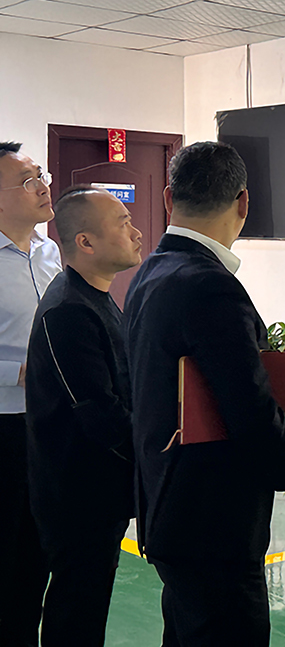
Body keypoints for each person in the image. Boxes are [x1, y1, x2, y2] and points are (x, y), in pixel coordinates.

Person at [123, 141, 285, 646]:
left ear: (169, 198)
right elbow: (250, 409)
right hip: (212, 525)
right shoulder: (209, 286)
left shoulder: (150, 274)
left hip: (169, 505)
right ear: (243, 203)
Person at [25, 186, 142, 646]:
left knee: (86, 608)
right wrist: (159, 456)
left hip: (100, 492)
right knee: (76, 615)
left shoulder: (96, 296)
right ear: (85, 242)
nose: (136, 232)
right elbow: (100, 415)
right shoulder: (67, 311)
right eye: (122, 223)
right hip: (78, 497)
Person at [0, 142, 61, 645]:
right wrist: (17, 373)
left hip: (49, 426)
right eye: (27, 181)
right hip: (3, 429)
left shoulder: (50, 251)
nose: (42, 186)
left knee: (37, 557)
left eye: (40, 175)